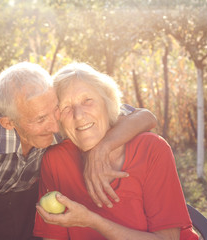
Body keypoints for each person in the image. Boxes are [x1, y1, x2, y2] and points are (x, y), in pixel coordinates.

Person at [0, 62, 156, 240]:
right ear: (8, 123)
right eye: (41, 119)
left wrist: (102, 150)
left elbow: (144, 117)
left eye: (55, 111)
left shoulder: (55, 102)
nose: (54, 127)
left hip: (28, 200)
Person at [34, 62, 198, 240]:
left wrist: (93, 222)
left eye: (87, 101)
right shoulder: (55, 160)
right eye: (66, 108)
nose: (78, 115)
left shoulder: (151, 149)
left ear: (107, 103)